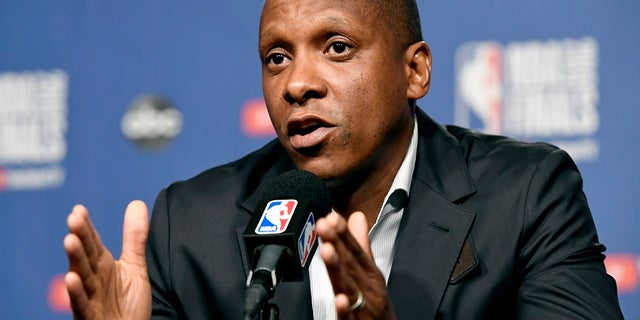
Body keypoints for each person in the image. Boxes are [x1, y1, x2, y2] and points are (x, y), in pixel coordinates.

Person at [63, 0, 624, 319]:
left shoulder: (526, 195)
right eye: (276, 57)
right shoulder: (188, 228)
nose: (298, 84)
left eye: (337, 47)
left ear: (415, 71)